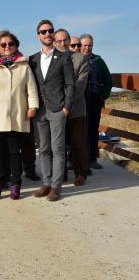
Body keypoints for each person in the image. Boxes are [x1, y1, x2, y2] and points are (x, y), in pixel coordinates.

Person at [0, 30, 39, 200]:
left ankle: (15, 184)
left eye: (10, 44)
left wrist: (33, 106)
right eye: (3, 44)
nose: (7, 47)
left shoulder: (23, 65)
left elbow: (31, 89)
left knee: (14, 152)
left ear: (16, 45)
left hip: (16, 115)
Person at [29, 20, 75, 202]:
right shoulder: (32, 60)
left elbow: (70, 84)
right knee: (44, 149)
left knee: (58, 149)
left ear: (53, 34)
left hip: (57, 109)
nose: (47, 34)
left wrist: (66, 107)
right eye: (43, 32)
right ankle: (46, 183)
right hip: (39, 110)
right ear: (38, 35)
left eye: (50, 31)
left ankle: (56, 187)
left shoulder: (64, 58)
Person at [54, 29, 89, 186]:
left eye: (65, 40)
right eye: (59, 40)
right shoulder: (52, 59)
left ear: (69, 41)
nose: (63, 43)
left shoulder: (80, 59)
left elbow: (80, 84)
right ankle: (61, 174)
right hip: (57, 109)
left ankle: (80, 173)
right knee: (59, 143)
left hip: (76, 109)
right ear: (55, 42)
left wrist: (66, 101)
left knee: (77, 142)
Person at [80, 34, 112, 169]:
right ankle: (76, 159)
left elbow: (108, 81)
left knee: (92, 130)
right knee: (78, 130)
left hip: (94, 100)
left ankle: (92, 159)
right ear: (80, 45)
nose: (87, 48)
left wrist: (101, 96)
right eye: (85, 45)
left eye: (90, 45)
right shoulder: (73, 59)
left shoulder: (98, 60)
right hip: (78, 100)